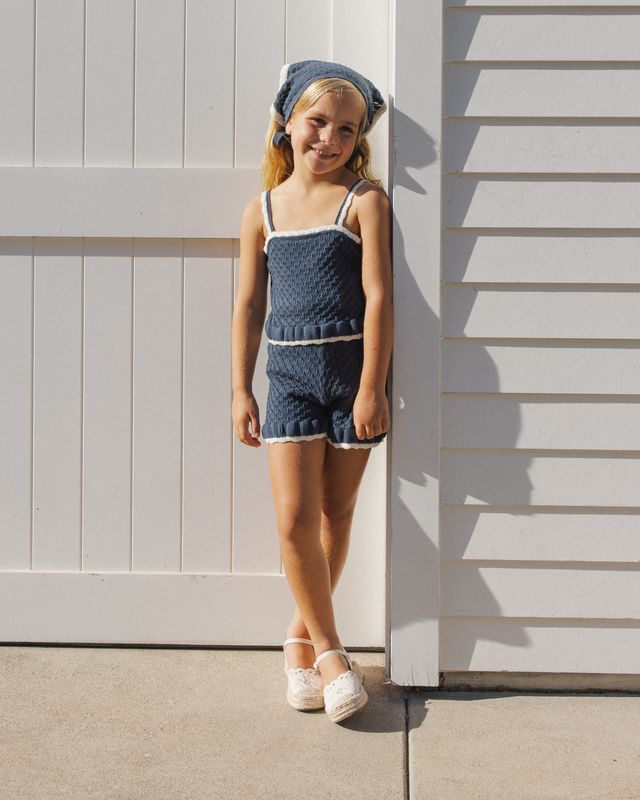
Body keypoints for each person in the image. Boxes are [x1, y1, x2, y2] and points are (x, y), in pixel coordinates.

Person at [231, 60, 393, 723]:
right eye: (317, 122)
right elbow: (247, 306)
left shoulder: (364, 201)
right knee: (293, 519)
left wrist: (371, 389)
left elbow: (381, 298)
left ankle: (298, 638)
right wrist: (239, 389)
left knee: (335, 514)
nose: (328, 139)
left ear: (359, 140)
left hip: (350, 382)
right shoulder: (262, 211)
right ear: (287, 125)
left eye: (346, 130)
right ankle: (331, 650)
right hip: (289, 382)